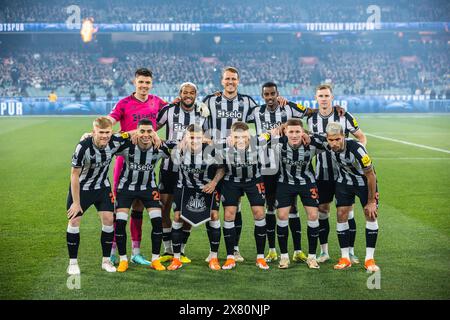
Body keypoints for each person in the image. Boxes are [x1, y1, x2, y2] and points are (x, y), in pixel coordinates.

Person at [202, 66, 287, 263]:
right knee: (216, 209)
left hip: (243, 159)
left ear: (238, 81)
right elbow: (198, 119)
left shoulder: (247, 102)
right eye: (227, 79)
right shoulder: (210, 100)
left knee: (236, 207)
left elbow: (264, 113)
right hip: (217, 158)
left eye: (233, 79)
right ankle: (214, 252)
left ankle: (236, 250)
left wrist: (281, 101)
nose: (230, 82)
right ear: (222, 81)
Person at [252, 81, 318, 264]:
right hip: (266, 164)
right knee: (270, 206)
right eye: (266, 94)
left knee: (293, 206)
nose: (270, 97)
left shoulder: (289, 107)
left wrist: (334, 108)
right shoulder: (255, 111)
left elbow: (311, 112)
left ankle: (297, 250)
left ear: (277, 93)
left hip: (286, 164)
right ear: (262, 95)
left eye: (273, 94)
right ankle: (272, 250)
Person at [107, 68, 167, 266]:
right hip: (125, 160)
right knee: (119, 206)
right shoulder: (124, 103)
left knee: (139, 207)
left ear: (151, 84)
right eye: (141, 82)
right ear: (134, 82)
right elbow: (111, 120)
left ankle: (136, 251)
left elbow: (177, 109)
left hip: (147, 161)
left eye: (147, 83)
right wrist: (97, 128)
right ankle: (113, 250)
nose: (144, 86)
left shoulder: (157, 101)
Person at [307, 84, 366, 264]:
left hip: (344, 175)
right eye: (320, 96)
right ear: (316, 98)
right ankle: (324, 252)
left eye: (326, 95)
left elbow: (361, 137)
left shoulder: (344, 116)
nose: (323, 98)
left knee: (347, 213)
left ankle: (350, 252)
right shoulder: (311, 118)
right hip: (322, 174)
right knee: (323, 211)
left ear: (332, 97)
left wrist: (359, 155)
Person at [314, 122, 379, 272]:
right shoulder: (327, 143)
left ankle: (369, 259)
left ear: (343, 136)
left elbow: (371, 175)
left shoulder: (357, 149)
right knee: (341, 214)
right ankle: (345, 258)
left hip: (364, 182)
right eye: (331, 140)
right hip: (344, 182)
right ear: (327, 138)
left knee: (371, 215)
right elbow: (310, 136)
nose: (334, 143)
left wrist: (371, 201)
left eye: (337, 139)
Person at [66, 117, 128, 275]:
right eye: (101, 132)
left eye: (107, 132)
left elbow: (130, 134)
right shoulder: (83, 147)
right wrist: (76, 202)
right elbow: (74, 175)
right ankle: (73, 263)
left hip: (102, 187)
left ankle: (106, 261)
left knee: (109, 220)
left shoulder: (115, 140)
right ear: (93, 132)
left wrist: (153, 134)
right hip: (82, 189)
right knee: (74, 220)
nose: (104, 136)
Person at [156, 82, 209, 264]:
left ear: (196, 94)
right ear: (180, 93)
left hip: (193, 170)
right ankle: (168, 249)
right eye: (185, 92)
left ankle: (182, 250)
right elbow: (152, 129)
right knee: (164, 208)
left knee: (187, 211)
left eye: (192, 92)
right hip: (169, 168)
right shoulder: (169, 110)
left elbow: (208, 137)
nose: (188, 95)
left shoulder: (203, 112)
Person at [114, 119, 172, 272]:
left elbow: (179, 144)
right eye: (142, 131)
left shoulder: (159, 147)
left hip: (149, 188)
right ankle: (123, 259)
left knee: (157, 222)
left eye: (149, 131)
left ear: (154, 133)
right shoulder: (127, 145)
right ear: (137, 132)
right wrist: (129, 134)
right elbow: (111, 139)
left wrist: (161, 139)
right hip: (126, 189)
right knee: (120, 223)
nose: (146, 135)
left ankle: (155, 259)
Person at [166, 124, 225, 271]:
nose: (194, 140)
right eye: (191, 137)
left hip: (206, 188)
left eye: (198, 137)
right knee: (178, 216)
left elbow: (222, 168)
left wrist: (214, 182)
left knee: (214, 215)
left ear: (203, 138)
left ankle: (213, 257)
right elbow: (164, 146)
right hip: (184, 187)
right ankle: (177, 258)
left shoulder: (210, 151)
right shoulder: (179, 150)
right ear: (186, 137)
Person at [271, 119, 323, 269]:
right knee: (281, 216)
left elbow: (328, 141)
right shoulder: (278, 143)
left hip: (307, 183)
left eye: (297, 132)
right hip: (285, 183)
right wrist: (273, 132)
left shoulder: (311, 145)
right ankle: (284, 257)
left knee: (313, 216)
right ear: (285, 132)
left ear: (303, 132)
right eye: (291, 132)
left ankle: (312, 257)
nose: (294, 135)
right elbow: (258, 140)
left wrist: (311, 137)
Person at [219, 122, 271, 270]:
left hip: (253, 180)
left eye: (244, 136)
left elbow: (272, 132)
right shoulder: (223, 144)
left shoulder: (258, 141)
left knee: (259, 213)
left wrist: (305, 134)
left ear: (249, 135)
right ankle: (230, 257)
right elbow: (205, 142)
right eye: (236, 137)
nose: (240, 140)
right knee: (229, 215)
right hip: (231, 181)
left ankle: (260, 257)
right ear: (231, 136)